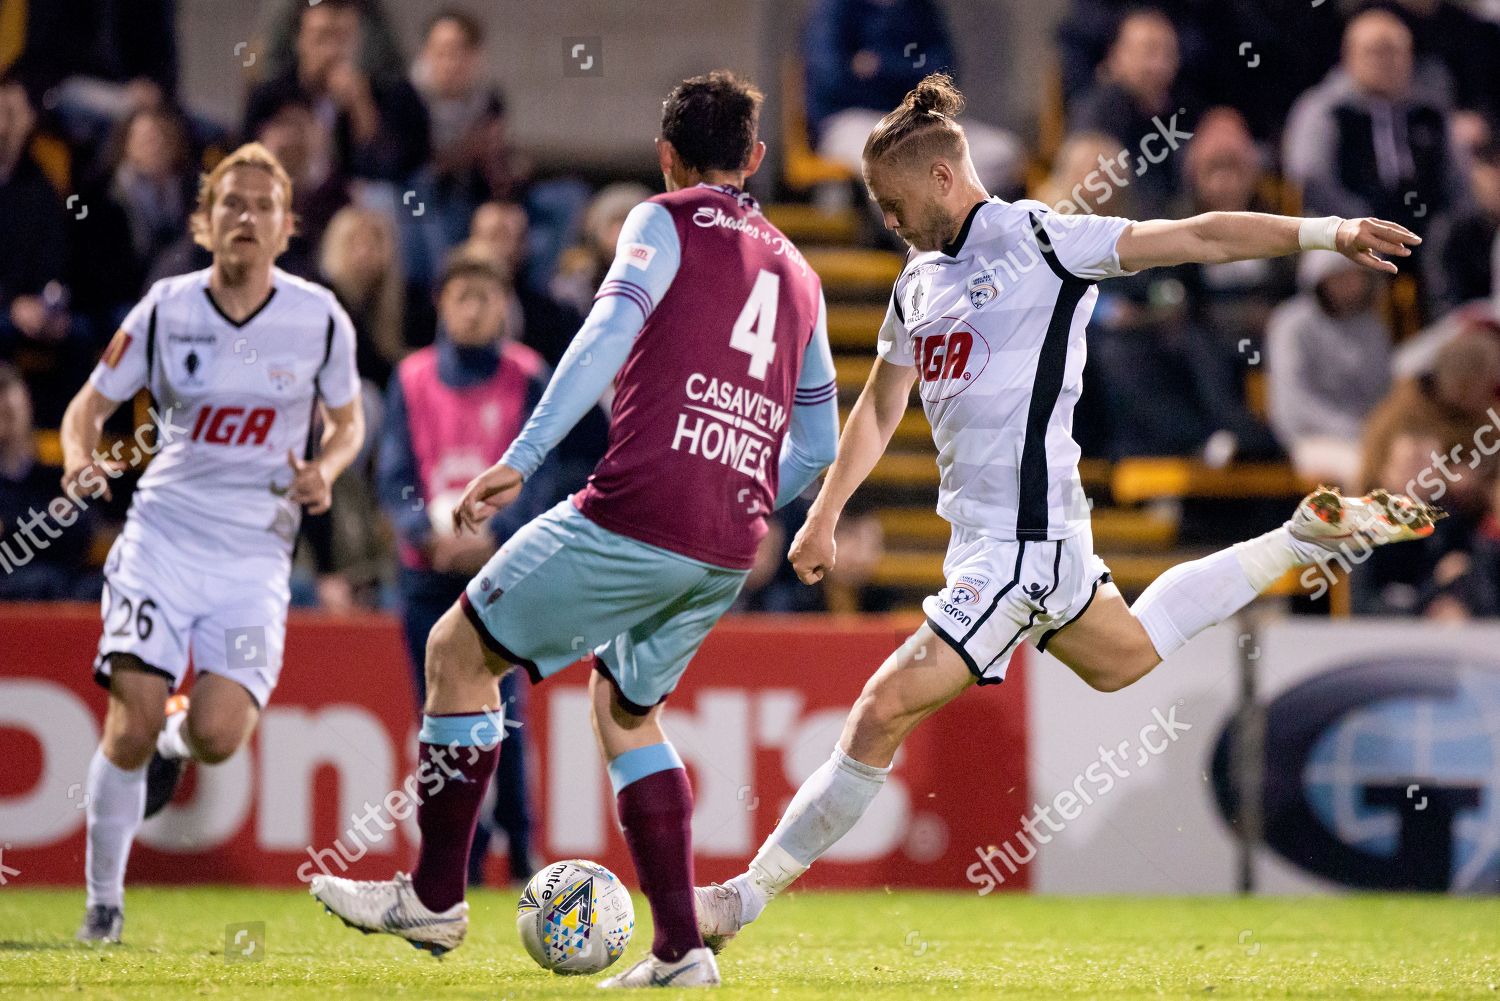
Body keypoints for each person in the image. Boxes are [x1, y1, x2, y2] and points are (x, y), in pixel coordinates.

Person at [691, 72, 1438, 951]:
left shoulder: (1040, 239)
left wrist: (1327, 231)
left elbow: (1192, 234)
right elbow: (882, 406)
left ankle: (737, 900)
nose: (887, 221)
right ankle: (1296, 539)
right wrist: (823, 514)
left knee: (878, 710)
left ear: (941, 178)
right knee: (1121, 658)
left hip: (1021, 545)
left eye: (892, 203)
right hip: (1009, 542)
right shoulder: (916, 284)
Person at [310, 71, 840, 989]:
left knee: (455, 650)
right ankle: (679, 952)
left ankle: (435, 897)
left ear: (665, 157)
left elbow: (604, 333)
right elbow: (821, 438)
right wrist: (752, 501)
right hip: (723, 541)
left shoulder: (661, 219)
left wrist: (522, 451)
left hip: (638, 506)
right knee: (627, 710)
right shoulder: (802, 272)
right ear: (755, 159)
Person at [62, 142, 364, 944]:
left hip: (255, 557)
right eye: (231, 202)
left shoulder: (319, 319)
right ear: (203, 222)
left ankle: (175, 731)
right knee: (126, 719)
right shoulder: (166, 307)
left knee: (219, 737)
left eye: (264, 205)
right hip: (162, 537)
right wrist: (80, 456)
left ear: (287, 225)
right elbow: (89, 405)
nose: (247, 215)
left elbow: (349, 421)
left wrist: (327, 468)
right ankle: (104, 907)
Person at [376, 250, 565, 887]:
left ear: (503, 307)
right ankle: (463, 852)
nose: (475, 309)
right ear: (443, 305)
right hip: (427, 572)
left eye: (487, 297)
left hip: (502, 570)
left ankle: (519, 843)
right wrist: (422, 535)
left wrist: (499, 537)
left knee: (504, 711)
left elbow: (546, 475)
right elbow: (395, 476)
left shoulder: (529, 375)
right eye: (464, 297)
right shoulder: (412, 377)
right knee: (438, 719)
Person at [803, 0, 1021, 195]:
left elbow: (944, 75)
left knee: (1002, 153)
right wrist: (909, 74)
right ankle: (927, 231)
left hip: (917, 121)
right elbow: (832, 79)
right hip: (853, 121)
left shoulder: (917, 8)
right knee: (891, 163)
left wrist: (878, 66)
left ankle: (943, 225)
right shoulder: (835, 8)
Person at [1283, 9, 1464, 241]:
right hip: (1344, 228)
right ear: (1349, 54)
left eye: (1395, 52)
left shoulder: (1429, 113)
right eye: (1375, 52)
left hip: (1426, 233)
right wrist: (1360, 222)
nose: (1386, 62)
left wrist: (1444, 227)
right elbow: (1310, 178)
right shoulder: (1324, 111)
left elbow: (1458, 183)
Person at [244, 0, 430, 184]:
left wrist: (361, 108)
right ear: (300, 40)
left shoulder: (388, 93)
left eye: (342, 38)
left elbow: (398, 168)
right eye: (321, 38)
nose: (332, 51)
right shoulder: (270, 96)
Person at [1266, 251, 1393, 490]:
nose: (1349, 284)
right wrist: (1355, 430)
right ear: (1319, 279)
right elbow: (1294, 404)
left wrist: (1379, 430)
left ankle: (1417, 527)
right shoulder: (1291, 325)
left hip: (1369, 435)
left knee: (1414, 462)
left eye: (1355, 275)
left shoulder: (1372, 327)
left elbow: (1383, 393)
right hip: (1309, 438)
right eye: (1339, 276)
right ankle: (1362, 528)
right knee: (1362, 466)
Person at [0, 363, 100, 599]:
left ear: (28, 407)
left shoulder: (55, 474)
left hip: (64, 582)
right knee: (43, 582)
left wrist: (11, 524)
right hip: (11, 587)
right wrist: (49, 519)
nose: (7, 420)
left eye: (11, 412)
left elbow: (81, 530)